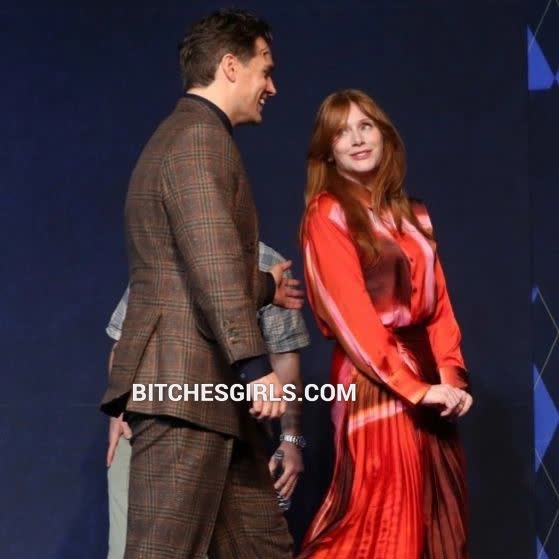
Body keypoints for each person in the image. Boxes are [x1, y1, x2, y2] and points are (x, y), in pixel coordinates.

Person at [100, 9, 304, 558]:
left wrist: (265, 287)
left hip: (212, 397)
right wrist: (256, 368)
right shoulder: (197, 139)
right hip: (183, 389)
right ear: (231, 66)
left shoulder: (192, 136)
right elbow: (211, 263)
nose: (272, 87)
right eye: (266, 70)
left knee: (262, 548)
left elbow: (191, 266)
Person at [297, 89, 473, 559]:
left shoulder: (415, 214)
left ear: (384, 134)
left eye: (365, 126)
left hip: (430, 383)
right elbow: (352, 319)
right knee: (384, 525)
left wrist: (451, 379)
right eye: (341, 133)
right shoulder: (327, 213)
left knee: (438, 524)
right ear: (328, 151)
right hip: (373, 381)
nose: (357, 139)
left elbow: (439, 307)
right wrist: (413, 388)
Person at [105, 242, 310, 559]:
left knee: (257, 548)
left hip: (230, 436)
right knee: (133, 548)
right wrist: (119, 409)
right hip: (150, 423)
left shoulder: (266, 262)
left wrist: (291, 438)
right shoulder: (163, 256)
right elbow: (124, 344)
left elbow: (284, 358)